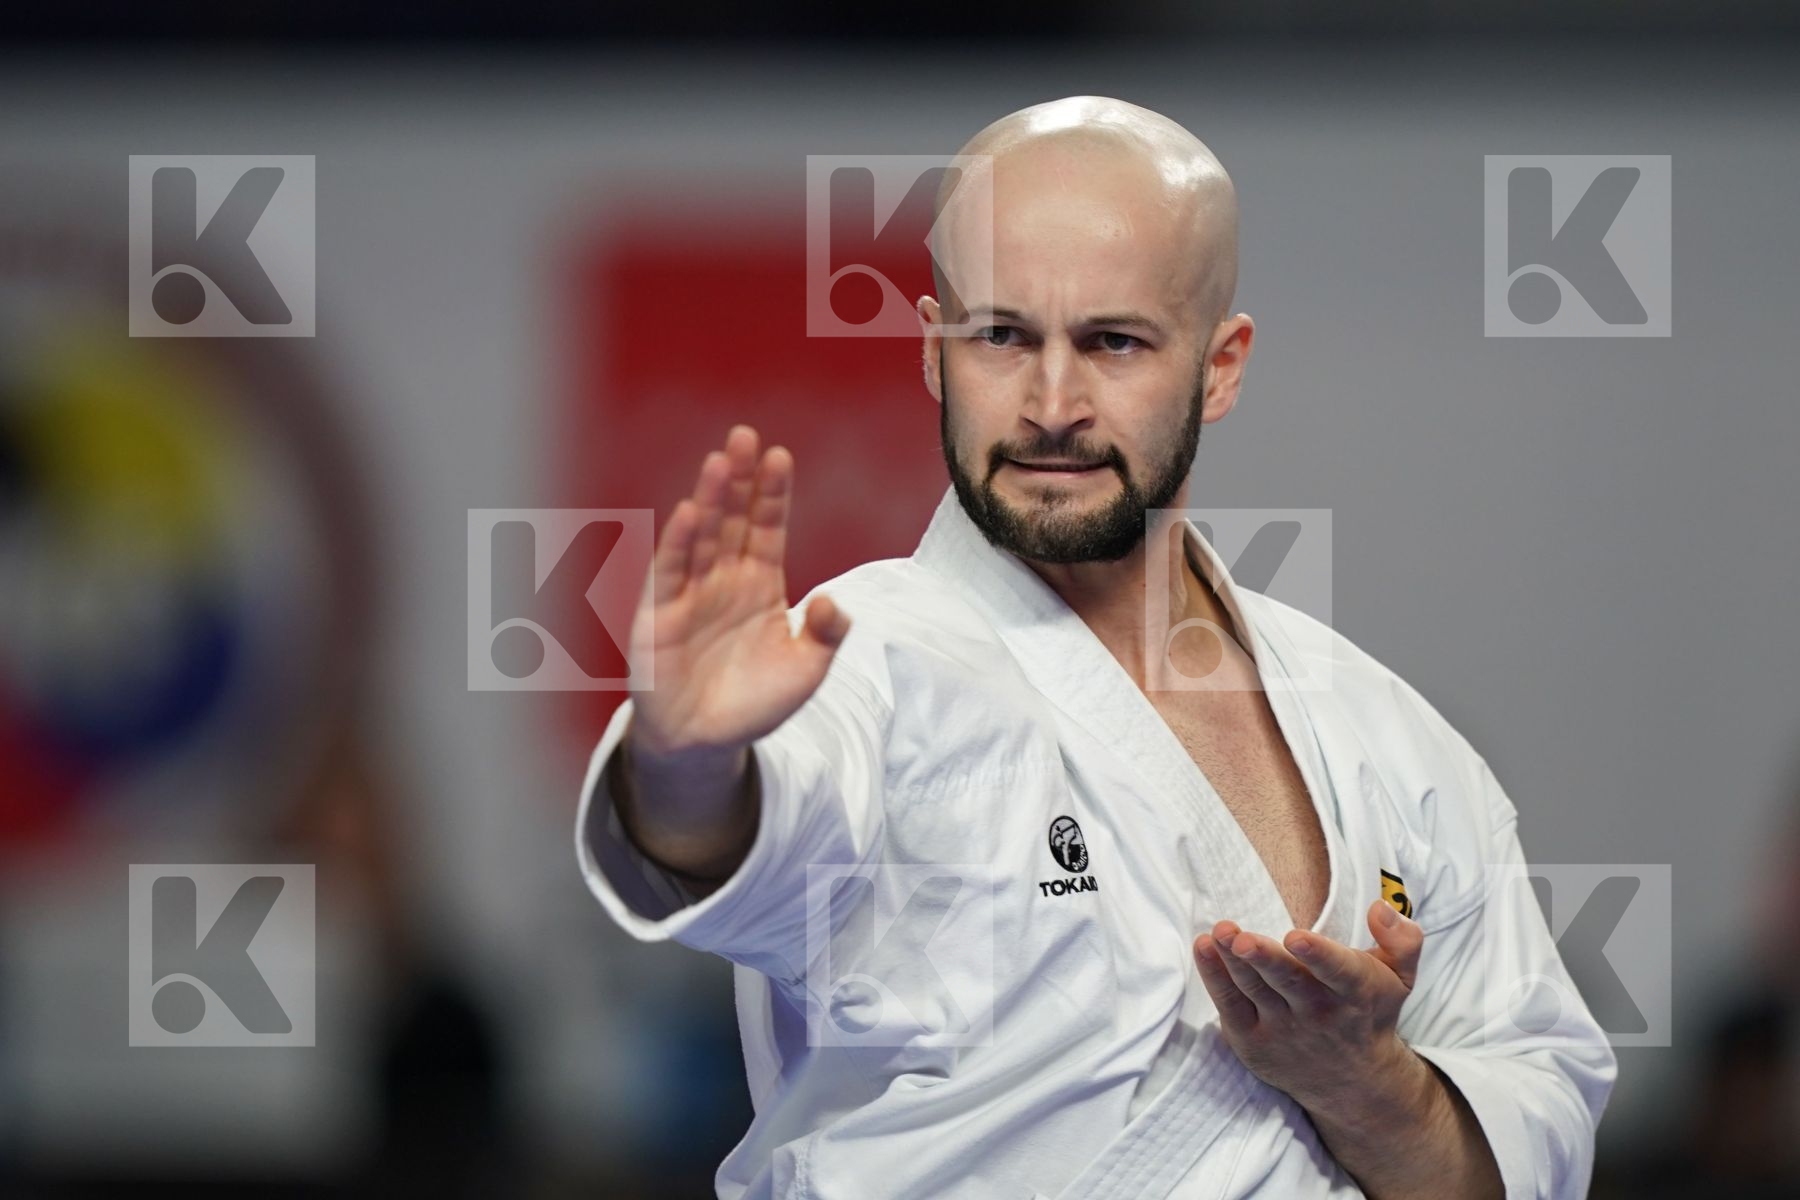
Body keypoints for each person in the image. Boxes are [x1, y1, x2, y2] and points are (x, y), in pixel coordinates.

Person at [575, 95, 1615, 1199]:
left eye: (1113, 342)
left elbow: (1530, 1142)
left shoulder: (1393, 745)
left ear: (1220, 367)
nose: (1053, 403)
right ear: (936, 353)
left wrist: (1368, 1085)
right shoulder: (867, 660)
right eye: (1002, 337)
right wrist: (684, 760)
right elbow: (736, 838)